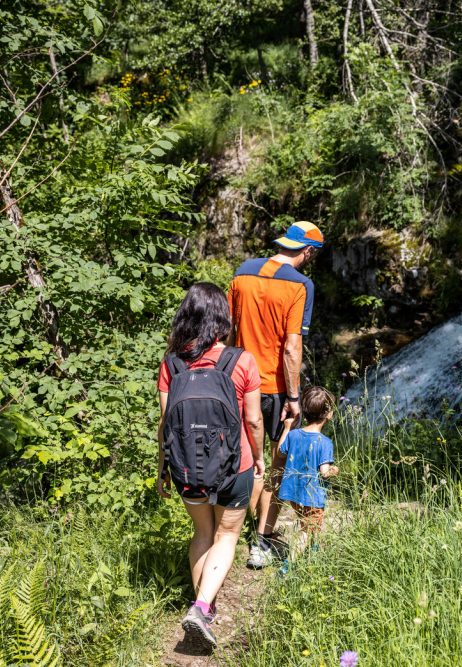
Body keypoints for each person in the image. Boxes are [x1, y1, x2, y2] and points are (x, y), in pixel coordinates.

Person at [156, 283, 265, 648]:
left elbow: (165, 422)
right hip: (236, 465)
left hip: (186, 467)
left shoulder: (171, 363)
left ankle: (205, 608)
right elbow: (253, 421)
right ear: (222, 317)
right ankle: (202, 607)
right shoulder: (241, 360)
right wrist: (260, 457)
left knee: (202, 534)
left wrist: (162, 468)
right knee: (227, 535)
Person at [227, 220, 324, 569]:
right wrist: (295, 397)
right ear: (308, 251)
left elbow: (230, 328)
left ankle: (232, 533)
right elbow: (291, 346)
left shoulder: (242, 273)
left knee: (244, 460)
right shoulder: (301, 285)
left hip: (235, 377)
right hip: (273, 386)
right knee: (276, 465)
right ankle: (262, 542)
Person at [275, 386, 339, 558]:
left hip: (293, 492)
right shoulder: (324, 442)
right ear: (329, 414)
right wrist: (335, 470)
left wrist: (287, 428)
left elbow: (280, 452)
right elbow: (324, 472)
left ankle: (314, 549)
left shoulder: (294, 435)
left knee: (309, 523)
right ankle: (288, 565)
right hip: (313, 495)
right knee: (307, 529)